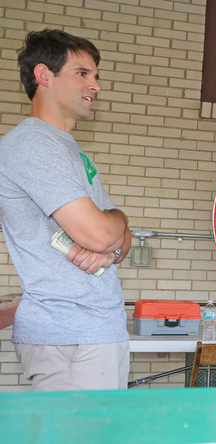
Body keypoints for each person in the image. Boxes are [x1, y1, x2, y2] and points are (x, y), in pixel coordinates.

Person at [0, 29, 132, 391]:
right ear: (45, 76)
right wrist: (117, 224)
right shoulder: (32, 145)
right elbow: (102, 233)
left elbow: (121, 244)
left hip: (96, 330)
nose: (96, 85)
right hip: (69, 335)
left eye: (96, 75)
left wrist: (115, 235)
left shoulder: (73, 153)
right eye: (82, 73)